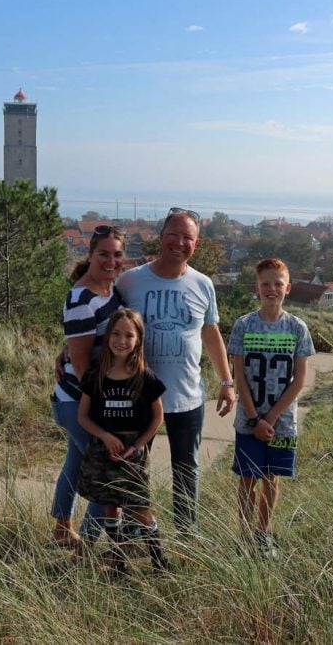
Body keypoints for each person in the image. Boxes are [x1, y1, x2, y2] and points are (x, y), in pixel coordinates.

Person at [114, 207, 235, 533]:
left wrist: (226, 380)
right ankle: (133, 534)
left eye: (188, 237)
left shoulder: (203, 284)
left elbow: (210, 333)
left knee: (187, 469)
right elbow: (103, 323)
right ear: (161, 236)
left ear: (195, 243)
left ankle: (186, 535)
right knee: (135, 468)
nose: (179, 242)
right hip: (138, 397)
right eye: (174, 235)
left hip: (187, 397)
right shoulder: (131, 281)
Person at [228, 258, 315, 558]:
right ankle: (242, 534)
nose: (271, 289)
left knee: (271, 478)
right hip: (248, 421)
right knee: (247, 478)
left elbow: (300, 379)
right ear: (257, 287)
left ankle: (262, 534)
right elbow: (239, 376)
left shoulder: (297, 328)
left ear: (287, 288)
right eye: (265, 283)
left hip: (283, 423)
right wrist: (255, 419)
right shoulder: (243, 325)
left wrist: (272, 418)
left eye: (278, 284)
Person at [76, 309, 169, 573]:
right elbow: (83, 416)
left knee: (140, 507)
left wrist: (138, 446)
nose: (121, 340)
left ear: (138, 340)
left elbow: (157, 417)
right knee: (110, 505)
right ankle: (118, 562)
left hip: (132, 452)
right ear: (107, 338)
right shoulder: (96, 375)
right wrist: (104, 436)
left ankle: (159, 561)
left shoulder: (145, 376)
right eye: (116, 334)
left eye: (129, 335)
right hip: (103, 451)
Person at [50, 225, 126, 547]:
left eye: (117, 254)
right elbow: (82, 366)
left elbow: (83, 344)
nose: (111, 261)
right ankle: (87, 546)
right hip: (78, 401)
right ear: (91, 255)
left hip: (82, 397)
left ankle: (61, 529)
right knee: (108, 472)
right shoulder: (82, 298)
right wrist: (100, 411)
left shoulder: (110, 289)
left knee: (76, 462)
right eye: (103, 254)